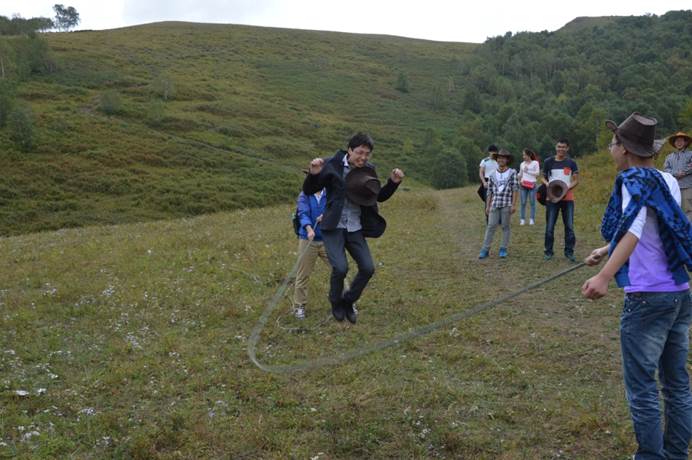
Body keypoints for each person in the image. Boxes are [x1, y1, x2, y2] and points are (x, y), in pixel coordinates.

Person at [582, 112, 692, 460]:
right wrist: (604, 250)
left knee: (643, 387)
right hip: (679, 291)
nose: (610, 149)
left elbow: (633, 229)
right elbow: (657, 226)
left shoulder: (634, 180)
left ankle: (650, 457)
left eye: (613, 143)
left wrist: (604, 276)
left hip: (647, 297)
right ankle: (675, 454)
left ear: (624, 149)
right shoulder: (666, 181)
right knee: (676, 384)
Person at [303, 133, 404, 324]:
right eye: (359, 152)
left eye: (367, 154)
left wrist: (393, 183)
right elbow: (309, 190)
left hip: (355, 227)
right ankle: (335, 302)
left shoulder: (368, 169)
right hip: (333, 226)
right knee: (340, 268)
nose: (363, 157)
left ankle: (348, 301)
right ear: (350, 150)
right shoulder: (331, 164)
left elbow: (377, 197)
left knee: (367, 268)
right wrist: (313, 173)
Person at [292, 188, 328, 320]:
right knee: (303, 274)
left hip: (327, 240)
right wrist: (308, 228)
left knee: (339, 270)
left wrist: (327, 215)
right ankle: (299, 306)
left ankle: (346, 302)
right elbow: (302, 213)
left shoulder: (330, 193)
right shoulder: (304, 194)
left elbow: (336, 208)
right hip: (308, 240)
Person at [541, 138, 579, 262]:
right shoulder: (548, 162)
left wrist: (566, 188)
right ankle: (548, 251)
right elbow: (542, 177)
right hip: (551, 198)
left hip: (567, 198)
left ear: (567, 148)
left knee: (569, 226)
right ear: (556, 147)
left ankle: (569, 252)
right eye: (559, 147)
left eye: (563, 147)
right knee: (550, 226)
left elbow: (575, 180)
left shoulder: (571, 163)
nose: (561, 149)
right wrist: (547, 184)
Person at [479, 149, 518, 259]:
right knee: (491, 226)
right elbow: (490, 192)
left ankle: (503, 249)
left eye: (503, 158)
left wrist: (514, 205)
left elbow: (515, 189)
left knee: (505, 227)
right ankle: (485, 249)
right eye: (499, 158)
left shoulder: (512, 173)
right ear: (497, 159)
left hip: (506, 204)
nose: (501, 159)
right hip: (494, 204)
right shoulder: (492, 175)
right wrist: (487, 206)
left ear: (507, 160)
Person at [663, 131, 692, 222]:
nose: (679, 143)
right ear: (674, 143)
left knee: (689, 209)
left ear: (685, 142)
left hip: (688, 186)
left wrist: (684, 172)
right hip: (674, 187)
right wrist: (676, 173)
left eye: (681, 141)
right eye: (677, 141)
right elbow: (666, 169)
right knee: (675, 209)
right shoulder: (669, 157)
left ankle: (689, 232)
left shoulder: (690, 154)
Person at [517, 148, 539, 225]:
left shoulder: (535, 163)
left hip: (532, 185)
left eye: (524, 155)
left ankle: (531, 219)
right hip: (523, 185)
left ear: (529, 155)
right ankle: (522, 219)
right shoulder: (522, 164)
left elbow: (537, 174)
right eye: (523, 155)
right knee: (523, 202)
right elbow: (520, 174)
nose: (523, 156)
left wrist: (528, 171)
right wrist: (517, 177)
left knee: (532, 202)